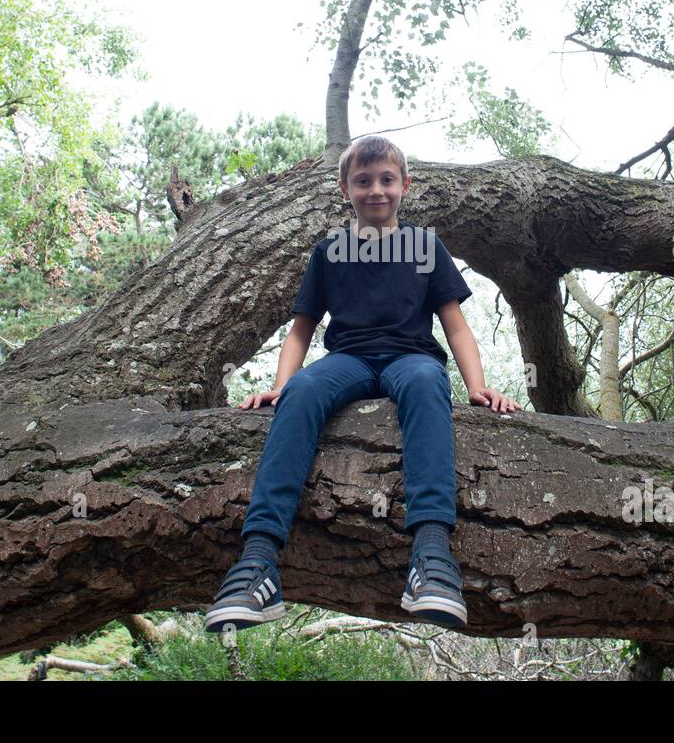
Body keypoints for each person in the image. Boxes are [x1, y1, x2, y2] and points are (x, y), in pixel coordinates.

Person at [204, 134, 518, 634]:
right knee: (304, 391)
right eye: (364, 180)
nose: (377, 190)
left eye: (387, 180)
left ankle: (431, 556)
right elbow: (301, 330)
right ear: (345, 188)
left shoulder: (424, 246)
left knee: (424, 382)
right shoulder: (330, 251)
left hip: (409, 358)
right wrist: (281, 385)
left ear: (405, 186)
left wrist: (479, 386)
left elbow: (455, 325)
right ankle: (258, 562)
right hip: (348, 360)